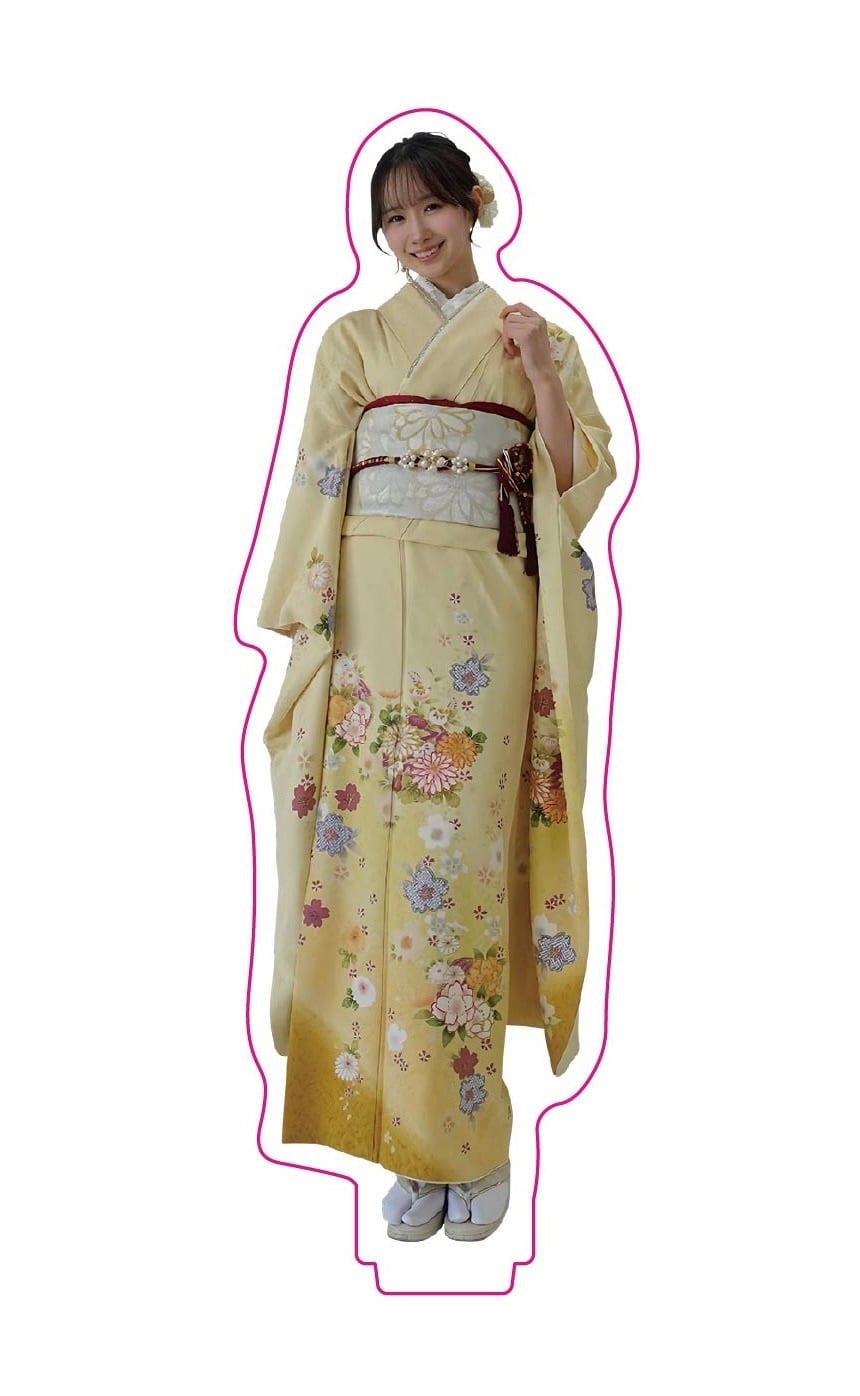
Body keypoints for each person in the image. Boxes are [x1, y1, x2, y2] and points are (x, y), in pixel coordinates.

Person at [257, 131, 616, 1242]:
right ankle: (398, 1138)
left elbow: (575, 485)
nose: (415, 234)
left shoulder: (536, 337)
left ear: (474, 206)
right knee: (363, 864)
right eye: (394, 219)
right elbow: (320, 479)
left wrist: (541, 376)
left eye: (431, 209)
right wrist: (309, 622)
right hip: (370, 626)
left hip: (480, 631)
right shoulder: (355, 340)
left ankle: (467, 1135)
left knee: (453, 869)